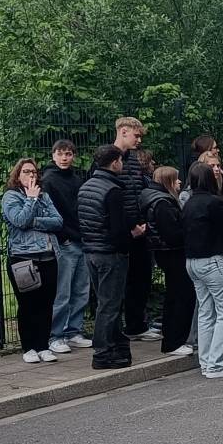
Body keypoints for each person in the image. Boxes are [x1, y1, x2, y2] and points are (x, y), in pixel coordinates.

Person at [77, 145, 142, 370]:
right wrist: (129, 238)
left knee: (105, 302)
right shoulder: (113, 190)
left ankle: (116, 344)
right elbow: (117, 229)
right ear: (115, 162)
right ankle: (103, 352)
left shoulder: (86, 187)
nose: (123, 165)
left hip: (91, 251)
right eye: (121, 162)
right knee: (110, 304)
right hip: (110, 254)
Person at [1, 157, 64, 364]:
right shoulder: (11, 197)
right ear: (17, 175)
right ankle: (28, 347)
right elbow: (19, 220)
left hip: (48, 256)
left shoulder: (44, 196)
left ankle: (43, 345)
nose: (31, 175)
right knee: (28, 304)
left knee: (46, 304)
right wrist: (30, 200)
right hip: (23, 258)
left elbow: (58, 222)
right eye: (26, 171)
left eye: (34, 172)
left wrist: (35, 221)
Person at [182, 163, 223, 378]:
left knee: (207, 311)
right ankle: (217, 363)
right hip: (211, 259)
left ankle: (207, 361)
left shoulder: (188, 203)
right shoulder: (214, 202)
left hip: (192, 261)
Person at [39, 140, 94, 352]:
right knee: (62, 292)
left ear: (73, 156)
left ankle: (74, 331)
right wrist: (64, 237)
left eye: (68, 154)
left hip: (82, 240)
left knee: (81, 289)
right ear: (53, 156)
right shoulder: (49, 180)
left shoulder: (76, 179)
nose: (64, 158)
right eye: (60, 154)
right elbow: (50, 214)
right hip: (65, 242)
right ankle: (56, 335)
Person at [112, 119, 159, 344]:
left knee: (141, 278)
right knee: (121, 282)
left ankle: (136, 324)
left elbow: (137, 192)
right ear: (123, 132)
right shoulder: (110, 158)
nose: (139, 141)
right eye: (136, 136)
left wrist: (143, 222)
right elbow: (116, 198)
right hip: (124, 232)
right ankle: (118, 328)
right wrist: (129, 227)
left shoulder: (132, 160)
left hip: (140, 228)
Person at [139, 166, 193, 357]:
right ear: (169, 181)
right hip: (172, 253)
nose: (180, 182)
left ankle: (174, 338)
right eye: (176, 179)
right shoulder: (163, 202)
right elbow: (172, 234)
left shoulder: (155, 198)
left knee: (175, 296)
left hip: (166, 252)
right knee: (179, 297)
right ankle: (174, 341)